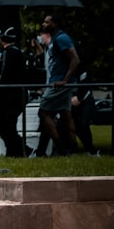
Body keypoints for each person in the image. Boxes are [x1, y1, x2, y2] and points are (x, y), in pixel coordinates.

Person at [37, 15, 80, 157]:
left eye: (47, 21)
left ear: (55, 23)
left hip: (59, 83)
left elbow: (75, 59)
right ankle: (73, 149)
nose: (44, 24)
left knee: (43, 112)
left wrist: (65, 80)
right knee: (66, 114)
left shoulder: (61, 38)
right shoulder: (56, 39)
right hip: (59, 81)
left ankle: (61, 148)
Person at [0, 26, 27, 157]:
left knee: (3, 124)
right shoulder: (19, 53)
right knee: (10, 125)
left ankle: (19, 149)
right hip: (16, 95)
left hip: (8, 97)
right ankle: (15, 151)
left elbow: (3, 75)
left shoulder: (8, 53)